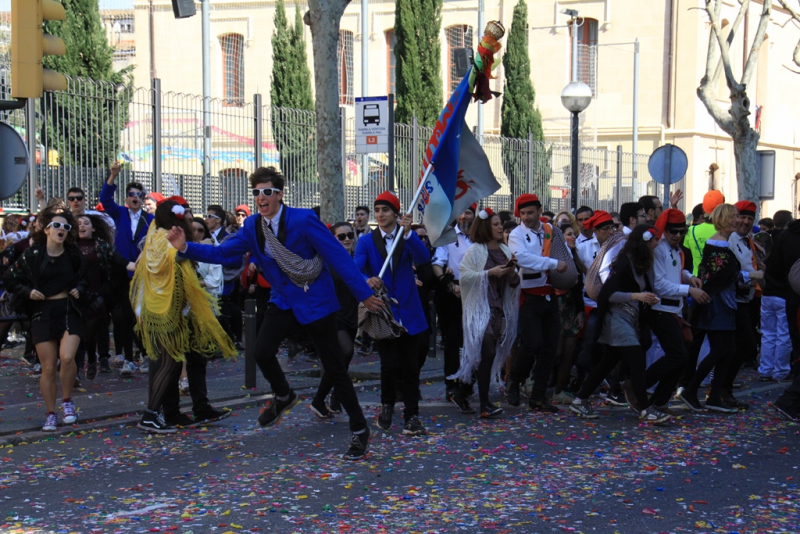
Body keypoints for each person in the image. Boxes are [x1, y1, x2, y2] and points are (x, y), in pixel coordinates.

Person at [167, 166, 382, 460]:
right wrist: (185, 247)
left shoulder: (304, 219)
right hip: (283, 300)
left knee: (333, 368)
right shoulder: (253, 226)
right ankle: (284, 395)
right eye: (257, 192)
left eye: (267, 192)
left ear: (280, 195)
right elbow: (222, 254)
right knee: (262, 352)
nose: (261, 197)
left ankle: (360, 430)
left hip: (314, 300)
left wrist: (365, 295)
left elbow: (336, 256)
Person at [132, 200, 236, 433]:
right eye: (185, 213)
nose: (190, 216)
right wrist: (186, 250)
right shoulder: (162, 237)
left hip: (173, 311)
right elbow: (171, 258)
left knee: (177, 361)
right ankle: (152, 415)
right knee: (166, 363)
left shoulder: (160, 235)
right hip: (162, 312)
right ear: (175, 218)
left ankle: (172, 413)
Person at [570, 225, 671, 424]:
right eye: (653, 240)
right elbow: (608, 294)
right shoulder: (624, 263)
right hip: (616, 318)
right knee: (637, 359)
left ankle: (580, 399)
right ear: (644, 242)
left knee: (606, 363)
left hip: (630, 319)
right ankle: (645, 408)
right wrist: (637, 296)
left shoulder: (644, 263)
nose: (657, 243)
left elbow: (651, 286)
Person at [354, 191, 430, 436]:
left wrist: (408, 234)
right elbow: (356, 270)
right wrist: (368, 280)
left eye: (385, 210)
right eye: (377, 211)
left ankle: (412, 415)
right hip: (383, 311)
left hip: (408, 309)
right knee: (389, 365)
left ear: (396, 214)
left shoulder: (405, 237)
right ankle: (386, 407)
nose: (380, 215)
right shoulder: (366, 241)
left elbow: (423, 258)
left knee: (410, 366)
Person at [5, 208, 87, 432]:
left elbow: (86, 276)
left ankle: (67, 402)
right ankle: (51, 413)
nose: (62, 230)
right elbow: (10, 277)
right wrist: (28, 291)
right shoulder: (33, 254)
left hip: (68, 308)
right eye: (57, 226)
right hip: (43, 311)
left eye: (66, 227)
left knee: (67, 357)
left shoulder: (72, 252)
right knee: (48, 368)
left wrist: (79, 288)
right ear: (48, 229)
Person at [677, 203, 761, 413]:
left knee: (726, 349)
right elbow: (722, 276)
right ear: (724, 219)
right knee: (722, 350)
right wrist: (753, 275)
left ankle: (711, 395)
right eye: (733, 216)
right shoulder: (719, 244)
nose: (737, 220)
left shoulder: (722, 242)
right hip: (717, 304)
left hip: (722, 303)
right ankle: (693, 390)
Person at [449, 208, 520, 417]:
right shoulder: (475, 250)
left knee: (484, 355)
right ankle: (484, 405)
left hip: (498, 308)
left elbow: (513, 283)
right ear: (486, 227)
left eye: (501, 225)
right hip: (479, 309)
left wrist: (511, 272)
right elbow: (465, 277)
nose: (501, 228)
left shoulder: (505, 251)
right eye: (496, 224)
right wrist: (490, 273)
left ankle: (462, 393)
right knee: (487, 352)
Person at [506, 193, 568, 412]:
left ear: (540, 211)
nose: (526, 217)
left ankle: (539, 397)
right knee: (533, 344)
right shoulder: (516, 234)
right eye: (522, 213)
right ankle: (514, 380)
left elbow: (565, 256)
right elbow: (521, 258)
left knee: (550, 349)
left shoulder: (552, 231)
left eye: (530, 212)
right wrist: (552, 263)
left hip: (550, 295)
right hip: (528, 296)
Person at [646, 209, 709, 412]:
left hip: (674, 309)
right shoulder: (659, 249)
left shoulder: (676, 249)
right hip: (660, 308)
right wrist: (688, 289)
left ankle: (660, 399)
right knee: (677, 355)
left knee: (680, 358)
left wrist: (689, 277)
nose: (678, 235)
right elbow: (660, 284)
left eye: (682, 231)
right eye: (674, 231)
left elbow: (675, 270)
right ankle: (638, 385)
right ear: (665, 230)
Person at [99, 161, 154, 375]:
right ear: (126, 197)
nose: (134, 197)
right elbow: (104, 200)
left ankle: (146, 353)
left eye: (138, 194)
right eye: (131, 193)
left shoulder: (150, 219)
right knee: (122, 316)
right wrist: (112, 175)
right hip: (121, 271)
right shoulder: (120, 213)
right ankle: (128, 359)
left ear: (143, 197)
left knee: (141, 315)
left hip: (141, 273)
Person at [75, 214, 135, 380]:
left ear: (93, 228)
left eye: (86, 223)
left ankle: (93, 359)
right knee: (75, 334)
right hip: (75, 296)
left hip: (96, 296)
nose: (82, 226)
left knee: (89, 334)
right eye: (78, 224)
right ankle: (77, 370)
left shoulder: (102, 246)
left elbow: (121, 262)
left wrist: (139, 265)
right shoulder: (69, 247)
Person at [310, 222, 360, 418]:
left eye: (350, 235)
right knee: (345, 351)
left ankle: (330, 399)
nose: (347, 239)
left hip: (352, 315)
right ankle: (320, 400)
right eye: (341, 236)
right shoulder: (326, 261)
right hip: (333, 315)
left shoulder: (357, 259)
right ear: (333, 239)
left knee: (341, 360)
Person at [431, 205, 475, 400]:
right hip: (452, 291)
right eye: (461, 212)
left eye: (468, 212)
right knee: (452, 339)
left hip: (475, 289)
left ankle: (468, 381)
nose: (464, 217)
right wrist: (448, 285)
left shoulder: (480, 236)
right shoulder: (447, 235)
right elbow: (438, 263)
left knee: (472, 339)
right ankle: (452, 382)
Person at [551, 222, 586, 404]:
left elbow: (579, 289)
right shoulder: (553, 257)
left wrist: (580, 311)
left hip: (571, 308)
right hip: (556, 307)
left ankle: (559, 390)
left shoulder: (576, 260)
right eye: (569, 234)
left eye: (574, 234)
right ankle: (535, 382)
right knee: (556, 350)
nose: (573, 237)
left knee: (569, 351)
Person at [760, 210, 793, 382]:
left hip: (766, 291)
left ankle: (765, 369)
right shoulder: (788, 238)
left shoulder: (763, 237)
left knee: (768, 333)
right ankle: (780, 370)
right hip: (782, 292)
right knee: (783, 334)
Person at [685, 190, 724, 276]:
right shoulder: (726, 231)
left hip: (697, 279)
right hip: (720, 281)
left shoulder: (691, 230)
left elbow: (685, 258)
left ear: (703, 209)